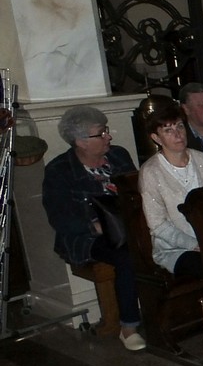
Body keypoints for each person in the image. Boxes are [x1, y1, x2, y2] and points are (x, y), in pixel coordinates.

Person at [41, 106, 145, 351]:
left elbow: (137, 191)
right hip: (87, 238)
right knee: (126, 256)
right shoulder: (59, 170)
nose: (109, 136)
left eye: (106, 130)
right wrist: (96, 226)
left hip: (127, 227)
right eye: (101, 133)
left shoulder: (118, 156)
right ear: (81, 142)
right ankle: (128, 327)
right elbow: (60, 219)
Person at [138, 103, 203, 280]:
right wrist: (194, 244)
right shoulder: (151, 172)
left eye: (180, 126)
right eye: (168, 130)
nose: (177, 134)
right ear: (156, 138)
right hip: (176, 249)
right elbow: (157, 225)